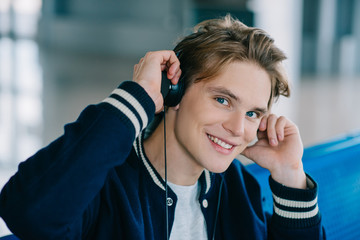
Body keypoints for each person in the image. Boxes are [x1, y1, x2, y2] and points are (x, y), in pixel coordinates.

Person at [0, 15, 325, 239]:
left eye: (253, 113)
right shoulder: (105, 187)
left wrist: (290, 176)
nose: (238, 128)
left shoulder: (237, 188)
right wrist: (137, 98)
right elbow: (29, 213)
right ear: (176, 92)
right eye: (223, 101)